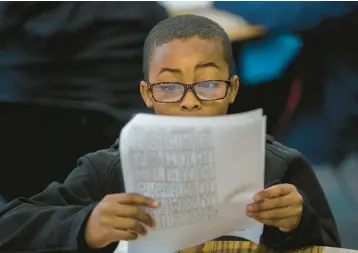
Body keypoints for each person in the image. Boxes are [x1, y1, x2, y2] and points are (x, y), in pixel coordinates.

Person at [0, 15, 340, 253]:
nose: (189, 101)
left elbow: (329, 244)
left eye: (208, 84)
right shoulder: (109, 169)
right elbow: (10, 228)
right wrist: (85, 225)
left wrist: (297, 222)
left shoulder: (279, 166)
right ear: (147, 93)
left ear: (233, 88)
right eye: (169, 86)